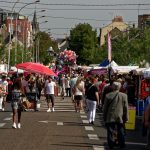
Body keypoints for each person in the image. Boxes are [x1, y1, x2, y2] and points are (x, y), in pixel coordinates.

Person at [103, 82, 128, 149]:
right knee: (121, 130)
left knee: (110, 131)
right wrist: (126, 117)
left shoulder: (108, 95)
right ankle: (122, 144)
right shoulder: (124, 96)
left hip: (110, 115)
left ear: (112, 87)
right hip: (120, 116)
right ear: (119, 87)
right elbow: (126, 108)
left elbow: (105, 108)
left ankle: (111, 144)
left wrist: (104, 117)